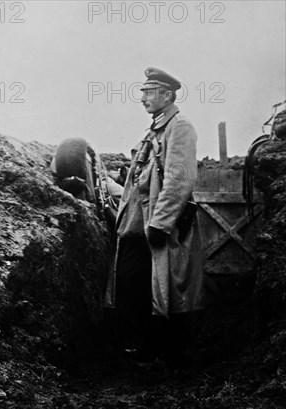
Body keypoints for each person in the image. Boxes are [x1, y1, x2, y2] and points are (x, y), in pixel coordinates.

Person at [104, 67, 206, 368]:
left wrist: (160, 224)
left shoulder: (180, 127)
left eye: (149, 92)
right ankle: (143, 347)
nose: (143, 98)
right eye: (143, 92)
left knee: (169, 291)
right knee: (132, 283)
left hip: (161, 227)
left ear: (168, 95)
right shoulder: (154, 131)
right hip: (138, 227)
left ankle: (171, 355)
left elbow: (179, 179)